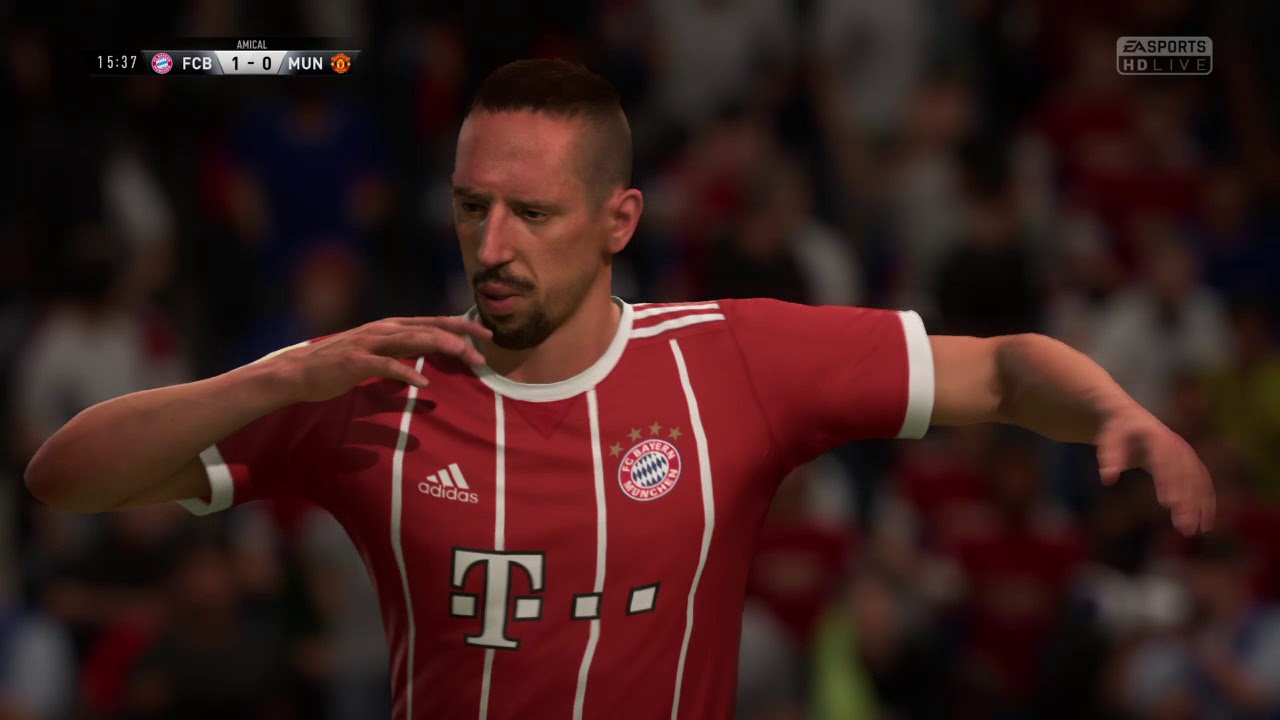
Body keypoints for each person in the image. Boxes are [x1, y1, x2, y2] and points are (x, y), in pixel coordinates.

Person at [25, 59, 1215, 720]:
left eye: (532, 214)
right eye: (471, 208)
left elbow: (1000, 368)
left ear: (617, 220)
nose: (492, 245)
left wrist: (1117, 410)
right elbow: (66, 477)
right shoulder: (369, 386)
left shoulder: (732, 359)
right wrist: (279, 373)